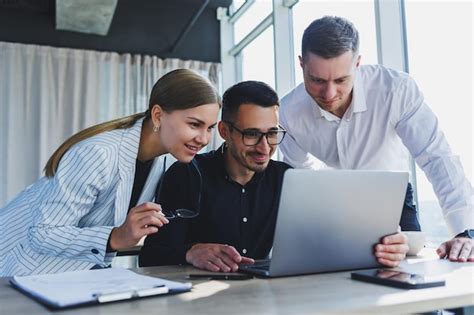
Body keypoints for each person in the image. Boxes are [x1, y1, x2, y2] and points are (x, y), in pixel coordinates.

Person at [139, 80, 409, 272]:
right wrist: (191, 251)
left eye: (272, 133)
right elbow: (150, 256)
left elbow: (323, 241)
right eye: (251, 134)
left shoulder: (286, 179)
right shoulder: (186, 173)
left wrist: (383, 245)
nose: (264, 147)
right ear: (224, 131)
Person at [279, 16, 473, 262]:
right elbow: (301, 177)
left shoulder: (395, 90)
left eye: (341, 80)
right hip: (332, 203)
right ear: (301, 64)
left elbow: (435, 156)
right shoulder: (287, 112)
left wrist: (465, 230)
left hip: (393, 197)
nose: (329, 94)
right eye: (317, 80)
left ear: (357, 64)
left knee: (411, 275)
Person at [0, 69, 221, 276]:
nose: (203, 139)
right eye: (194, 124)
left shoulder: (161, 159)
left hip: (73, 275)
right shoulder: (98, 153)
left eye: (210, 127)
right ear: (158, 115)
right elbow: (42, 233)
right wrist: (116, 236)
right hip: (19, 268)